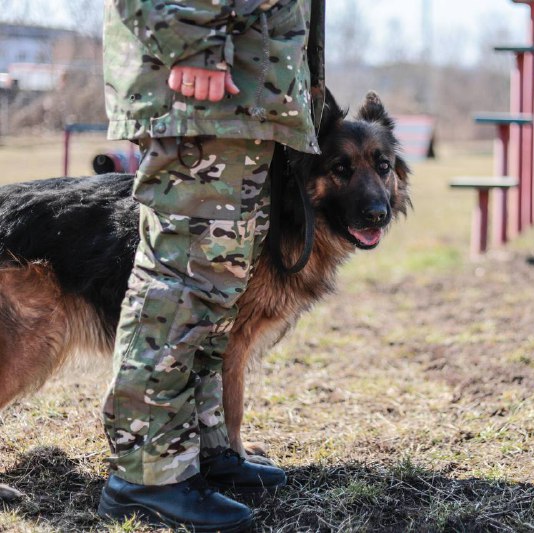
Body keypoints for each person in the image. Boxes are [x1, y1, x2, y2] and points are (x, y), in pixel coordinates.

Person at [97, 0, 323, 530]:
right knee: (182, 283)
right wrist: (193, 40)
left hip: (246, 92)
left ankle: (201, 447)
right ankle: (146, 474)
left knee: (218, 289)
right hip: (202, 87)